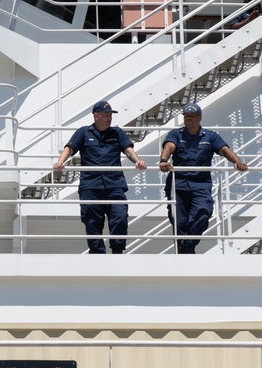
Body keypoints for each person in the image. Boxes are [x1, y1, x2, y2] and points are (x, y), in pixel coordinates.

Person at [53, 101, 147, 254]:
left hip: (114, 184)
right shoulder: (84, 132)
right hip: (91, 185)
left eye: (110, 115)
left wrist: (138, 161)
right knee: (92, 221)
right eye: (105, 115)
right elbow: (69, 148)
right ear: (96, 115)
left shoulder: (117, 133)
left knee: (120, 216)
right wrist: (60, 162)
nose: (109, 118)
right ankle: (97, 253)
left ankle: (117, 251)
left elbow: (128, 150)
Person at [158, 103, 248, 254]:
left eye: (192, 116)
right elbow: (169, 147)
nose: (189, 119)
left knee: (203, 213)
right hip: (178, 184)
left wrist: (237, 162)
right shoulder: (176, 134)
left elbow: (224, 150)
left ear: (199, 118)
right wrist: (163, 160)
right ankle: (186, 251)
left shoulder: (210, 136)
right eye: (186, 116)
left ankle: (186, 247)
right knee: (179, 221)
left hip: (200, 185)